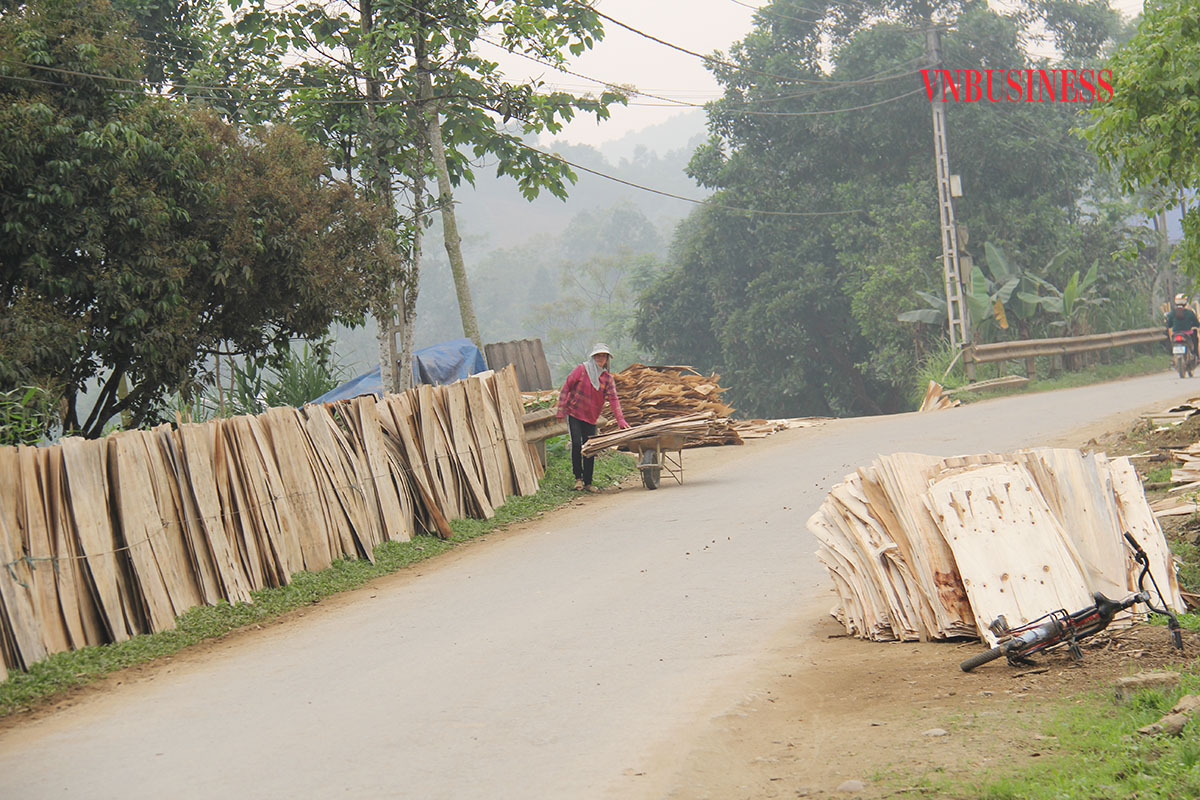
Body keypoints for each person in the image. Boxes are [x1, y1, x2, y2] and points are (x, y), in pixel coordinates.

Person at [556, 343, 631, 493]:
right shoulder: (581, 370)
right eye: (598, 356)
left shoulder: (607, 378)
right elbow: (566, 387)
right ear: (593, 357)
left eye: (603, 356)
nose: (600, 359)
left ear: (607, 359)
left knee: (590, 448)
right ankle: (578, 478)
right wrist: (561, 410)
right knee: (577, 444)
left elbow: (614, 399)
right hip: (574, 412)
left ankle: (588, 483)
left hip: (591, 417)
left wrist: (620, 420)